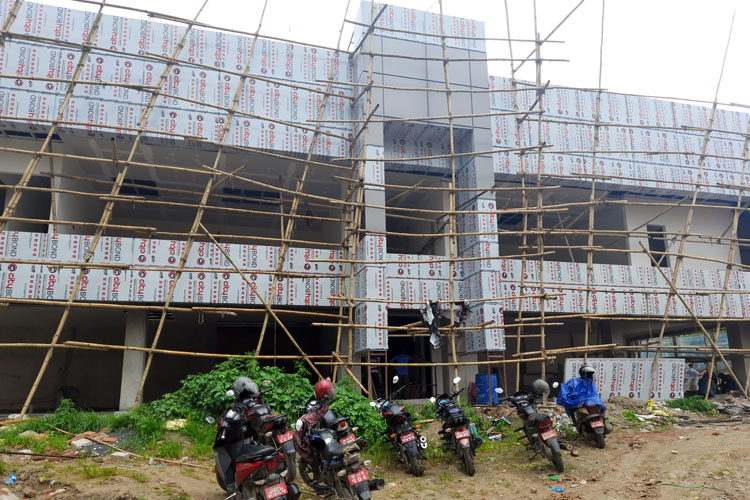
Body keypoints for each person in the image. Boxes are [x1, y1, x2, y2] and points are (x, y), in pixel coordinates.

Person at [294, 378, 337, 465]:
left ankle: (313, 459)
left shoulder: (308, 418)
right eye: (329, 391)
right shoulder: (326, 408)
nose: (331, 393)